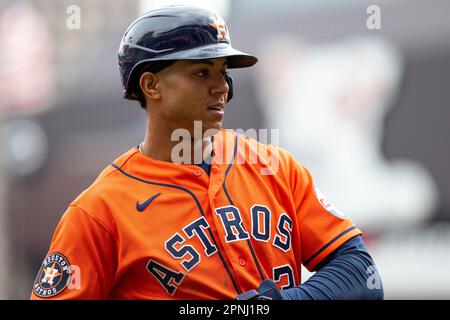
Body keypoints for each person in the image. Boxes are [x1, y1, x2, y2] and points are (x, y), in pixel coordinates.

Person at [31, 5, 383, 300]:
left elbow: (361, 273)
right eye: (202, 72)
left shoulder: (276, 168)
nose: (221, 87)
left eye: (223, 72)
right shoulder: (98, 213)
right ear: (151, 85)